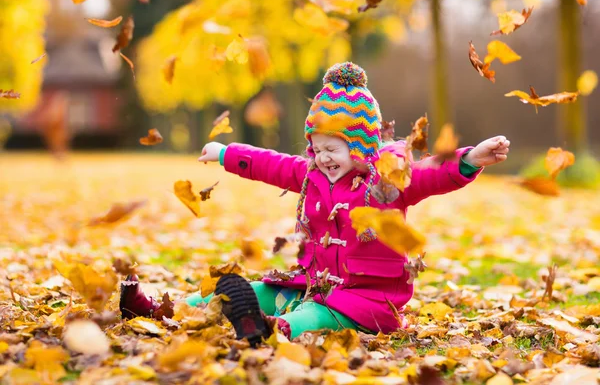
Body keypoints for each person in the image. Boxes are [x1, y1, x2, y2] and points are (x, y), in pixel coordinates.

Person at [120, 62, 510, 346]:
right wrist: (226, 153)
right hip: (313, 284)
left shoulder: (388, 180)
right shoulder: (312, 175)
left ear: (360, 146)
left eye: (333, 149)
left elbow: (431, 173)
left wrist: (470, 158)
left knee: (311, 317)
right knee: (250, 290)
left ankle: (271, 330)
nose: (323, 157)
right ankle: (166, 309)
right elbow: (270, 164)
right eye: (317, 148)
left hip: (367, 301)